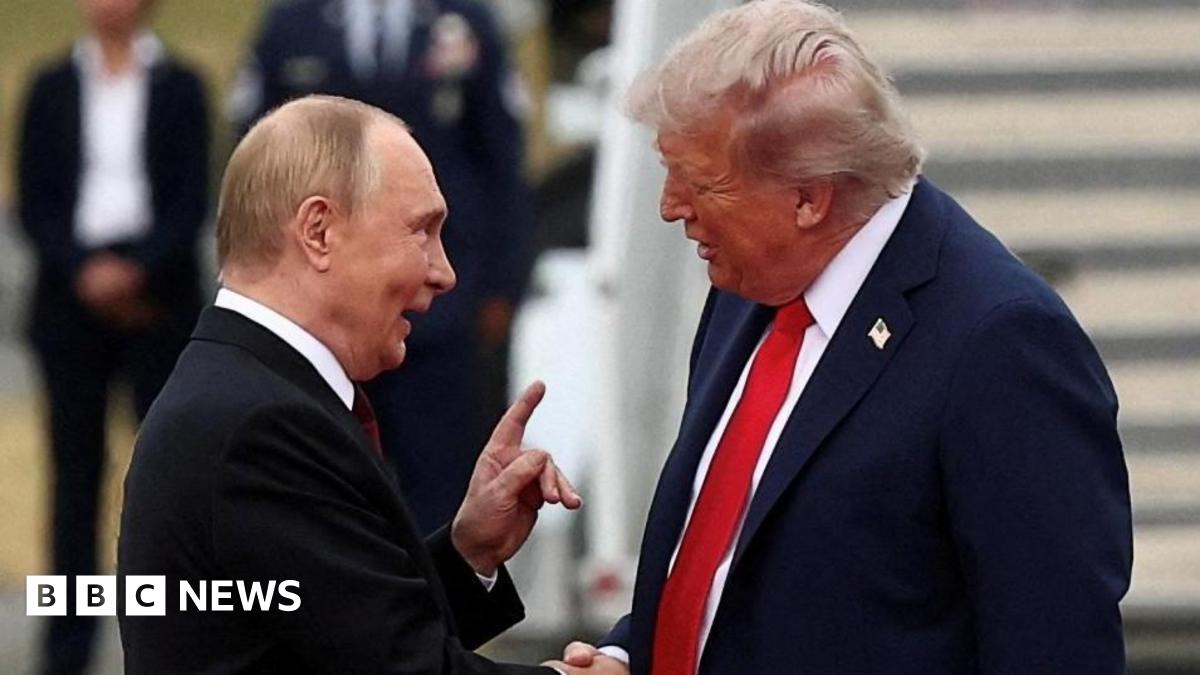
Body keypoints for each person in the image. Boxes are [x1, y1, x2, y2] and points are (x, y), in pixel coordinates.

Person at [547, 2, 1132, 674]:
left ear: (808, 199)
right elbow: (728, 550)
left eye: (700, 182)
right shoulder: (751, 283)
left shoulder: (999, 343)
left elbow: (1056, 646)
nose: (670, 206)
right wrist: (629, 653)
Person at [117, 95, 578, 674]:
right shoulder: (262, 426)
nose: (445, 272)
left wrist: (468, 554)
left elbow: (340, 629)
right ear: (319, 232)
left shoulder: (249, 393)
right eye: (422, 231)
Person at [229, 0, 535, 534]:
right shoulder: (291, 24)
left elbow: (503, 160)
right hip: (322, 313)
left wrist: (502, 285)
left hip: (441, 303)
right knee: (326, 491)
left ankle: (437, 613)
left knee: (441, 489)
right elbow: (250, 163)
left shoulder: (466, 21)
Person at [15, 0, 208, 671]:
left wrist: (139, 269)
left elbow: (191, 198)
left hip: (156, 298)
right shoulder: (50, 86)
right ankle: (67, 647)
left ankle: (169, 640)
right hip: (71, 296)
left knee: (162, 478)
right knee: (74, 476)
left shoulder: (181, 86)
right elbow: (34, 199)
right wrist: (85, 270)